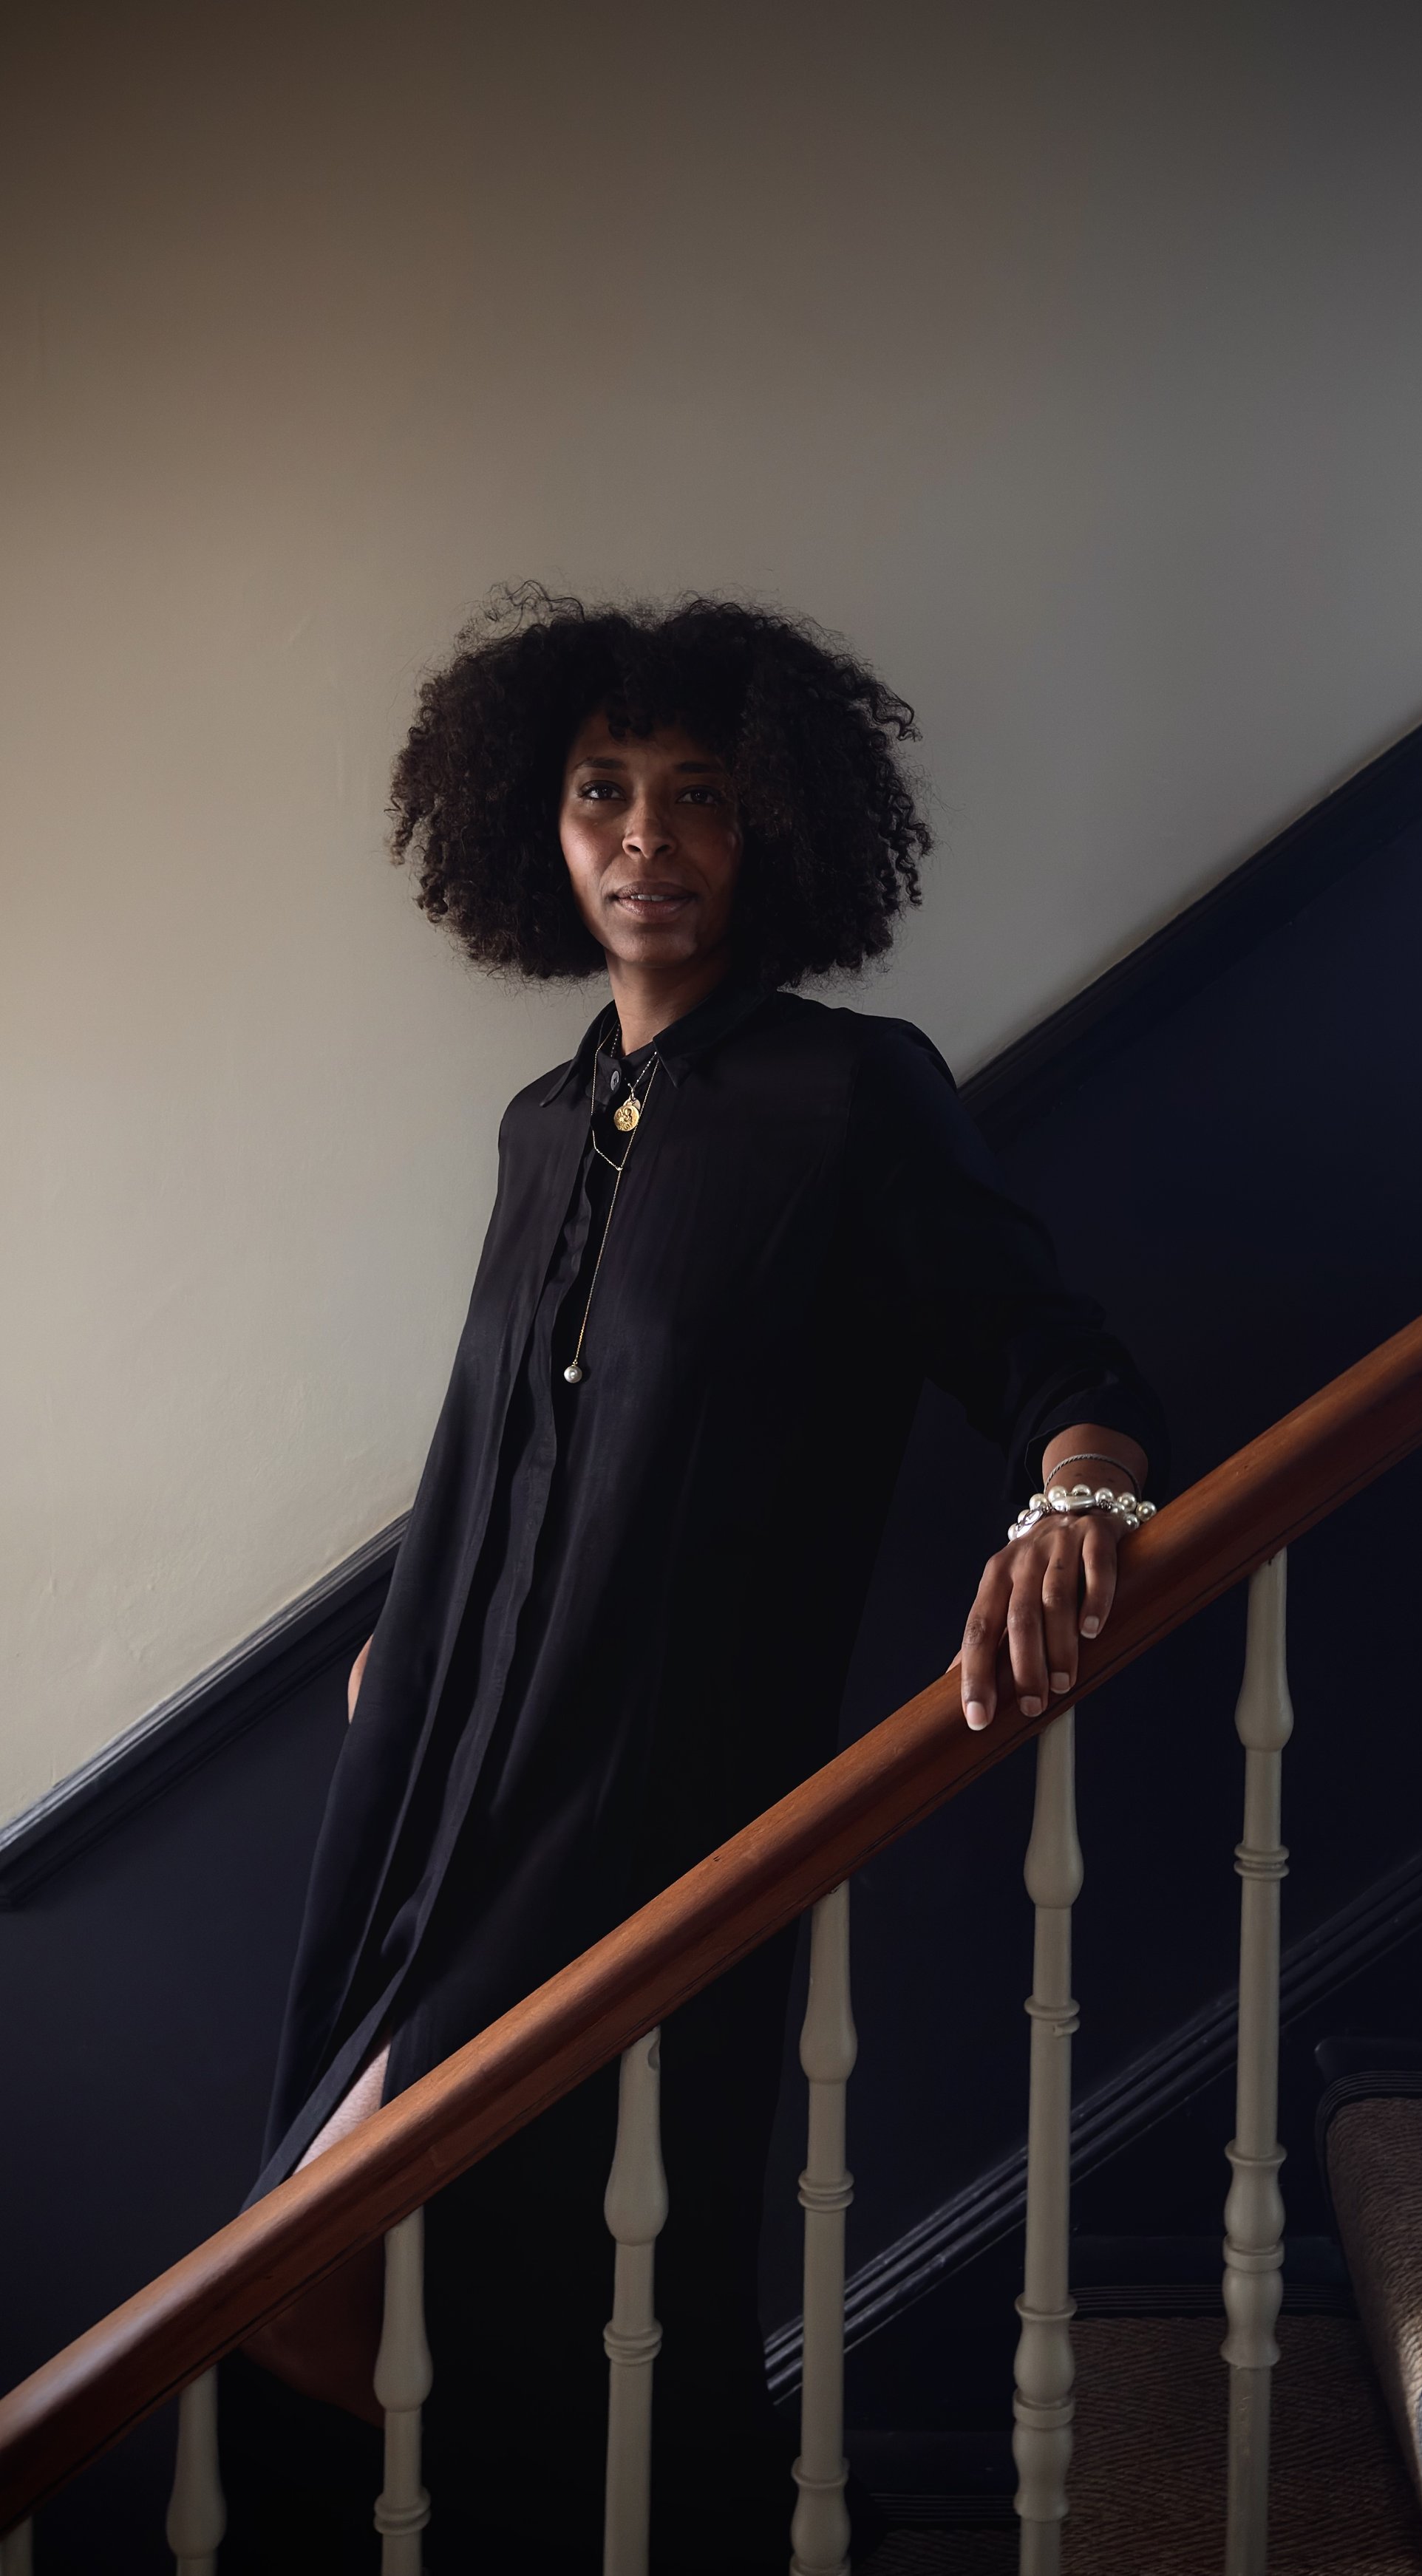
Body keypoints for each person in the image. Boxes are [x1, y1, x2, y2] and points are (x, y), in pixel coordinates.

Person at [228, 587, 1166, 2572]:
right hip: (430, 1793)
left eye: (699, 794)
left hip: (643, 1799)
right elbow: (514, 1443)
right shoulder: (538, 1124)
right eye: (599, 793)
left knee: (344, 2281)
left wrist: (1074, 1501)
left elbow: (1050, 1360)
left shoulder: (851, 1091)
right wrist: (425, 1627)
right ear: (534, 830)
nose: (644, 836)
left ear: (779, 828)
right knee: (409, 2293)